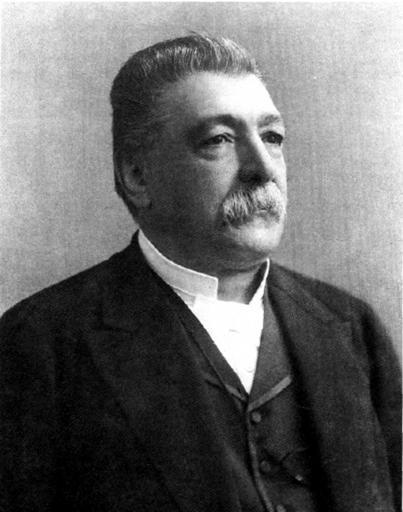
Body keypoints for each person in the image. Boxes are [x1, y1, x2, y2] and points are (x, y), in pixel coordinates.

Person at [0, 34, 400, 512]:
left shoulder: (351, 327)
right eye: (219, 141)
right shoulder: (40, 344)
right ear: (137, 176)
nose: (262, 168)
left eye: (272, 137)